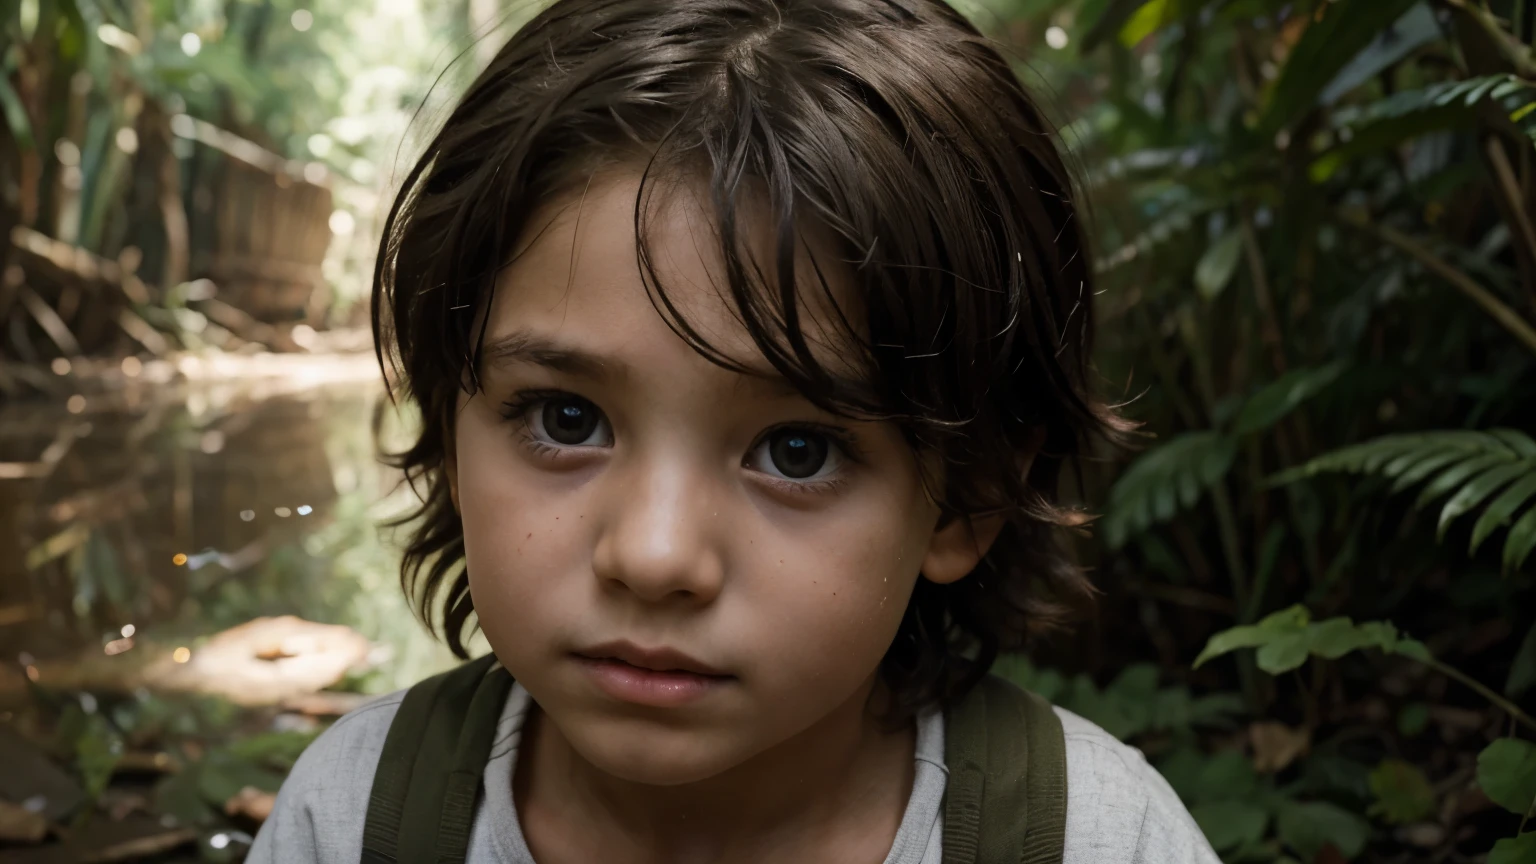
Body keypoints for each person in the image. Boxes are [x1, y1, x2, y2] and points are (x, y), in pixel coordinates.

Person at [249, 0, 1220, 861]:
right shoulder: (352, 820)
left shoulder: (1097, 839)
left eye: (798, 450)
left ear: (965, 497)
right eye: (565, 418)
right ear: (453, 435)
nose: (655, 554)